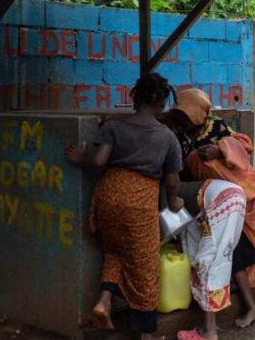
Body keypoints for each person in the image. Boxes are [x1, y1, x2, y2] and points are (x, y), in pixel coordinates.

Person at [66, 73, 184, 340]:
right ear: (162, 102)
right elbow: (172, 180)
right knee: (144, 266)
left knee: (115, 251)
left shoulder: (113, 127)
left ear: (136, 97)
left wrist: (79, 156)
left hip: (107, 195)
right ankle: (144, 334)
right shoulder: (167, 137)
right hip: (138, 202)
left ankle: (103, 302)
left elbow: (97, 161)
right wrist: (174, 200)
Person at [163, 89, 255, 331]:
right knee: (233, 250)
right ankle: (251, 307)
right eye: (182, 115)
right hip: (218, 200)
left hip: (246, 190)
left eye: (188, 115)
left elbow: (244, 145)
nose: (185, 120)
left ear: (202, 113)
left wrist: (219, 151)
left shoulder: (216, 126)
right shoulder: (180, 136)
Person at [177, 179, 247, 340]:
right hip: (236, 193)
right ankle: (209, 327)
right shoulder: (189, 192)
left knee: (208, 262)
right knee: (221, 257)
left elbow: (192, 244)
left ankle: (209, 331)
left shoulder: (169, 192)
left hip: (221, 199)